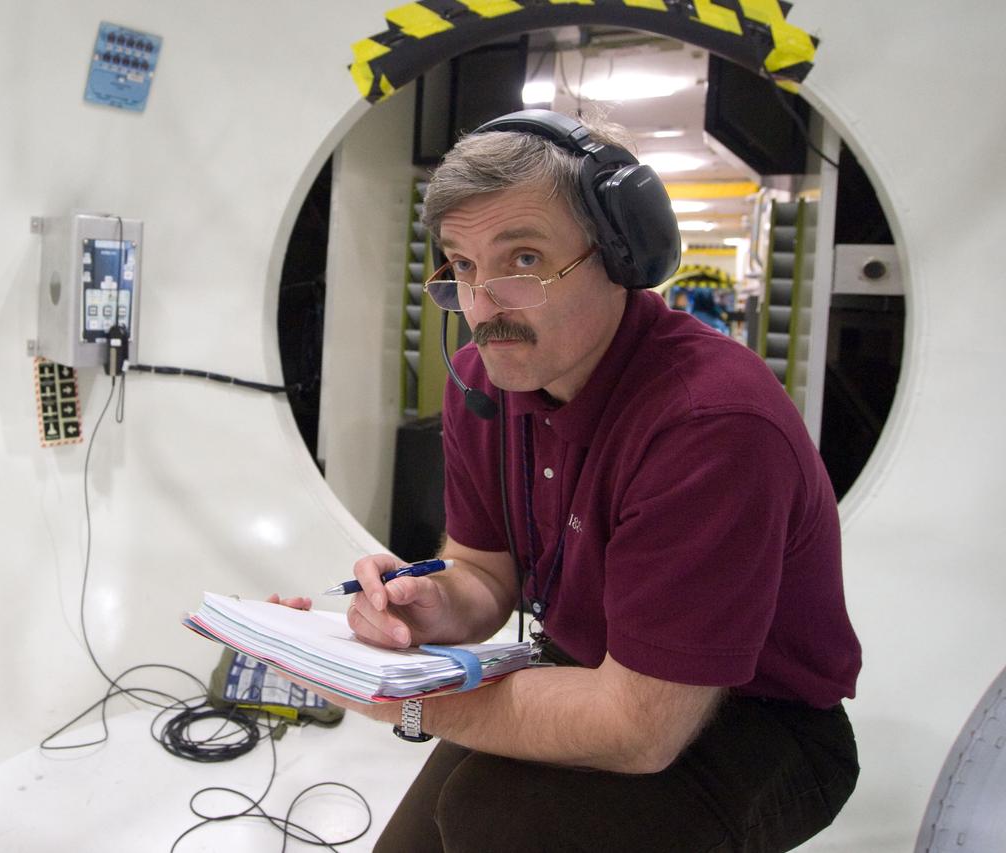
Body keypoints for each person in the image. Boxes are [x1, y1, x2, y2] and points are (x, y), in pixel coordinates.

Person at [277, 109, 861, 852]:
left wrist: (396, 697)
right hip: (592, 671)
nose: (483, 307)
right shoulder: (479, 382)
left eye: (522, 259)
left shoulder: (711, 422)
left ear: (622, 255)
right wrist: (433, 602)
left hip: (763, 721)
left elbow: (639, 727)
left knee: (497, 820)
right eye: (461, 264)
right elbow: (486, 571)